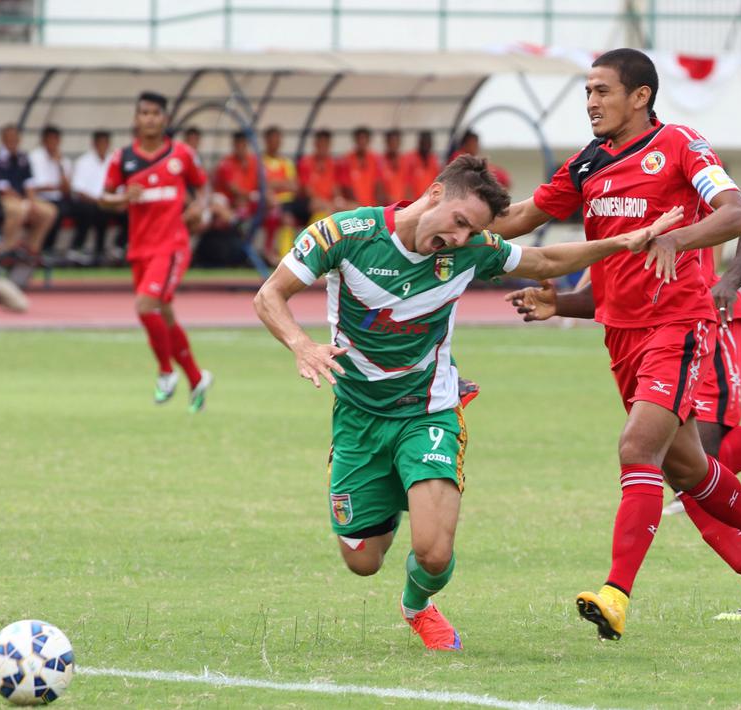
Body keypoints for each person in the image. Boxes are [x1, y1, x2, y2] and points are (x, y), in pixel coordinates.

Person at [253, 154, 679, 651]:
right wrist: (302, 345)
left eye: (470, 230)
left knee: (433, 554)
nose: (458, 238)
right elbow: (270, 295)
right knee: (363, 561)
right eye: (458, 222)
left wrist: (621, 243)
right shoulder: (345, 233)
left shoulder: (472, 249)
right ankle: (390, 493)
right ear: (434, 193)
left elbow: (544, 262)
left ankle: (417, 606)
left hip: (428, 409)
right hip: (358, 414)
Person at [487, 48, 741, 638]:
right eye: (587, 91)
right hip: (622, 338)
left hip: (681, 327)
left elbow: (738, 216)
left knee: (639, 448)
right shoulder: (586, 167)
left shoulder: (683, 144)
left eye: (603, 91)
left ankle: (616, 594)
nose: (591, 102)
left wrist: (679, 239)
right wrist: (435, 222)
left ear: (640, 96)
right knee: (688, 468)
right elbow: (520, 217)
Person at [504, 197, 741, 622]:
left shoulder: (680, 167)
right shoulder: (611, 195)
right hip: (659, 337)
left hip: (708, 324)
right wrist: (559, 304)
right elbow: (610, 293)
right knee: (687, 468)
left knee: (694, 463)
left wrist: (728, 283)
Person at [100, 91, 214, 412]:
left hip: (172, 246)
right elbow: (103, 198)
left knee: (145, 305)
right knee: (162, 313)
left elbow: (202, 186)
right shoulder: (122, 158)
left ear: (164, 119)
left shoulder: (182, 155)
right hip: (140, 248)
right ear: (136, 119)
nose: (149, 118)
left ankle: (166, 372)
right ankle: (196, 378)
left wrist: (200, 208)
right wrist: (122, 197)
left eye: (155, 113)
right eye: (144, 113)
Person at [0, 124, 58, 260]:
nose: (13, 142)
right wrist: (24, 203)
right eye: (10, 139)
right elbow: (3, 189)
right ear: (3, 140)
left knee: (49, 211)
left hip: (22, 199)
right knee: (19, 210)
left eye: (15, 139)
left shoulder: (23, 157)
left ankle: (31, 249)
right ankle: (7, 248)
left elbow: (29, 183)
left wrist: (32, 202)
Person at [68, 130, 115, 265]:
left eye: (105, 143)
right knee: (90, 211)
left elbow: (117, 185)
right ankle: (76, 248)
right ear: (94, 144)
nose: (103, 146)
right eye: (100, 143)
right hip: (87, 201)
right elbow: (78, 190)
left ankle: (112, 248)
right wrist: (99, 200)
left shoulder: (113, 160)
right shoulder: (83, 161)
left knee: (124, 211)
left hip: (106, 201)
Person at [27, 125, 73, 256]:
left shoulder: (63, 160)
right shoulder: (34, 157)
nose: (53, 143)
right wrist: (50, 187)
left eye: (56, 140)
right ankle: (43, 248)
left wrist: (59, 165)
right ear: (43, 140)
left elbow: (66, 189)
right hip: (39, 198)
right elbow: (32, 185)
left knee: (76, 209)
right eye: (50, 139)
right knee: (54, 211)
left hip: (58, 198)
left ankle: (58, 249)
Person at [261, 126, 299, 262]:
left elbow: (294, 186)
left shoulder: (286, 162)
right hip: (267, 203)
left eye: (278, 140)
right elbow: (262, 185)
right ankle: (280, 256)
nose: (275, 143)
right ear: (266, 141)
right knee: (282, 216)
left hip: (288, 202)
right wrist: (283, 183)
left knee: (288, 217)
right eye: (272, 140)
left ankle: (287, 257)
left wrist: (274, 183)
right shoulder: (260, 162)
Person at [296, 129, 343, 220]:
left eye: (325, 143)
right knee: (321, 207)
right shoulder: (306, 162)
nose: (323, 146)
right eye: (321, 143)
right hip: (310, 202)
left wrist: (338, 200)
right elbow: (307, 190)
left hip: (329, 202)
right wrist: (327, 203)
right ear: (315, 144)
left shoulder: (333, 163)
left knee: (352, 208)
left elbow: (336, 187)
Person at [342, 126, 383, 207]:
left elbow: (378, 184)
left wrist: (378, 206)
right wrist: (358, 207)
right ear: (355, 140)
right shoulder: (347, 160)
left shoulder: (375, 159)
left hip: (372, 206)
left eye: (364, 138)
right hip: (354, 207)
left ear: (368, 140)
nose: (362, 141)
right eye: (359, 139)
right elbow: (346, 187)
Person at [402, 130, 442, 202]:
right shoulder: (410, 158)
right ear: (419, 143)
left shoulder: (433, 160)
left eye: (428, 143)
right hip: (414, 203)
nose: (426, 146)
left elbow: (438, 182)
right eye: (424, 143)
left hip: (429, 202)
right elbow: (406, 185)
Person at [381, 128, 407, 204]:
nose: (393, 144)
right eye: (391, 141)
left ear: (399, 142)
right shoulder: (380, 162)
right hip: (385, 208)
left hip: (403, 208)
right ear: (386, 142)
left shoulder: (405, 162)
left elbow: (409, 186)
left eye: (395, 141)